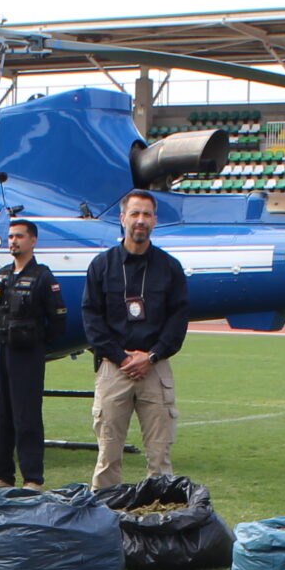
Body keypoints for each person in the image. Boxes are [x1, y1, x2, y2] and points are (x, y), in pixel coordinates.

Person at [83, 189, 189, 489]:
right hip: (113, 369)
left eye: (146, 214)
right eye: (134, 213)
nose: (140, 220)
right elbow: (91, 319)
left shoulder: (170, 268)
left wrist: (151, 356)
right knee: (108, 457)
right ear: (122, 218)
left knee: (160, 458)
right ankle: (103, 522)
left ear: (155, 220)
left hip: (155, 370)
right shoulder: (102, 266)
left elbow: (178, 321)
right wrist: (122, 358)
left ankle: (161, 525)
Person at [0, 219, 66, 488]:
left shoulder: (43, 277)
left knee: (27, 415)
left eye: (19, 236)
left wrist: (39, 345)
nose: (13, 241)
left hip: (27, 354)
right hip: (1, 352)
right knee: (0, 413)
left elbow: (57, 319)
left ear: (33, 241)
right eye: (10, 237)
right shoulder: (0, 276)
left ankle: (32, 477)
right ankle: (1, 474)